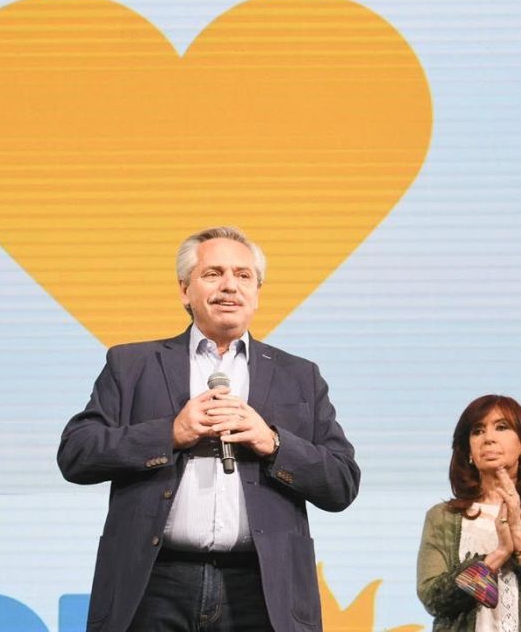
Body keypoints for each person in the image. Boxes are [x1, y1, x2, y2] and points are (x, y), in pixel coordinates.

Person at [57, 226, 360, 632]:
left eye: (243, 275)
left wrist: (271, 442)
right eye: (213, 274)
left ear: (257, 292)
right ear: (185, 290)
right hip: (154, 582)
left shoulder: (299, 375)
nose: (229, 286)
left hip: (261, 588)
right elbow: (77, 453)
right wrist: (170, 433)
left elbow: (341, 482)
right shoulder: (132, 365)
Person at [417, 394, 521, 632]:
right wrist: (499, 553)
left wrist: (518, 536)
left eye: (502, 427)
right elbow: (436, 600)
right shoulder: (442, 517)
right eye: (478, 431)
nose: (488, 438)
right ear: (469, 451)